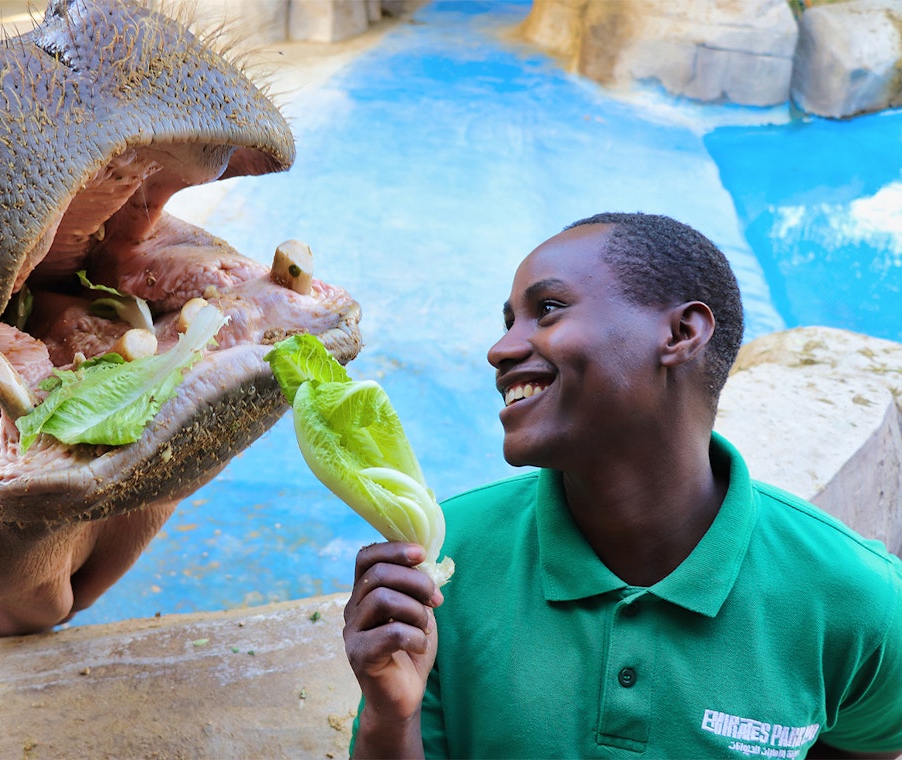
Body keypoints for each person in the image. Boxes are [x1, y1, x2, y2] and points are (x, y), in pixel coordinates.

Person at [344, 213, 902, 759]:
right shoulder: (444, 562)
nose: (500, 350)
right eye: (508, 321)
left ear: (681, 333)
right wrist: (391, 717)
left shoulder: (854, 596)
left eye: (548, 309)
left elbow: (871, 744)